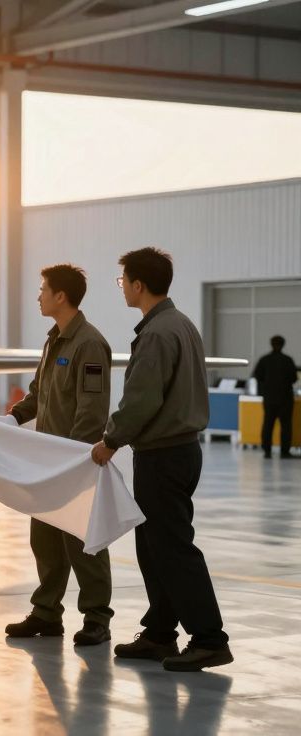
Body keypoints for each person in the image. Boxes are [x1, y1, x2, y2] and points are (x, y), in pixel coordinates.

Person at [90, 247, 232, 672]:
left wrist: (110, 440)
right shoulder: (181, 324)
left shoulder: (156, 333)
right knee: (153, 546)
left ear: (138, 284)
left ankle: (209, 638)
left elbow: (142, 399)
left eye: (123, 282)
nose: (122, 289)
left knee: (171, 547)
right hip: (181, 450)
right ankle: (159, 632)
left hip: (164, 454)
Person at [5, 264, 114, 647]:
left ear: (60, 296)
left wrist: (73, 457)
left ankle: (97, 618)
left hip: (74, 463)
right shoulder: (54, 341)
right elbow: (38, 394)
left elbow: (93, 410)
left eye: (43, 290)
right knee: (45, 540)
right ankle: (47, 613)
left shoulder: (89, 343)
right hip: (49, 463)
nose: (39, 296)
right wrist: (12, 418)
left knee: (84, 543)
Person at [252, 335, 298, 459]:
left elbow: (257, 375)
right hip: (285, 399)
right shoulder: (288, 360)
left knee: (268, 424)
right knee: (286, 426)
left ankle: (267, 451)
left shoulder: (264, 360)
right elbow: (294, 378)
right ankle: (285, 452)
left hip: (269, 398)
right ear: (283, 344)